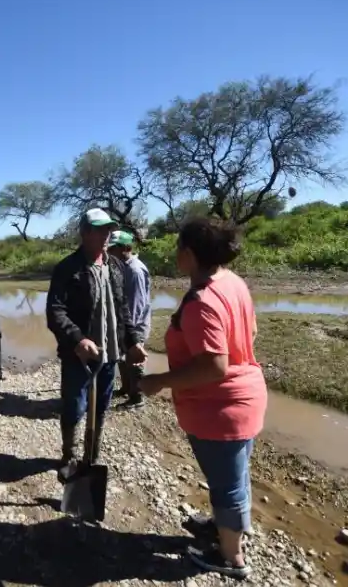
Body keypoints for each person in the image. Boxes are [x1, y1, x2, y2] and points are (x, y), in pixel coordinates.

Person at [138, 217, 267, 580]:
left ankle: (231, 557)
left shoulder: (202, 302)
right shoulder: (233, 282)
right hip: (246, 396)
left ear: (190, 254)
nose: (175, 253)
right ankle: (227, 524)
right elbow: (250, 331)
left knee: (228, 482)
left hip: (221, 408)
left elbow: (213, 366)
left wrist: (160, 381)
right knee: (233, 474)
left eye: (179, 247)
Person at [46, 208, 148, 470]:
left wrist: (134, 340)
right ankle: (69, 454)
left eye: (109, 229)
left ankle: (92, 456)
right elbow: (55, 312)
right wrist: (78, 339)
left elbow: (123, 308)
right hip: (78, 355)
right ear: (85, 232)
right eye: (100, 229)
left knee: (101, 407)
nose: (107, 234)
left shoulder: (114, 266)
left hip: (109, 353)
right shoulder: (68, 268)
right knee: (74, 407)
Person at [107, 230, 152, 409]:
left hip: (135, 324)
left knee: (134, 359)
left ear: (126, 248)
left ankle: (138, 398)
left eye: (114, 248)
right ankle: (126, 388)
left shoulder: (135, 270)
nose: (110, 252)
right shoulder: (121, 266)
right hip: (125, 323)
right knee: (122, 358)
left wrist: (129, 332)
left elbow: (136, 303)